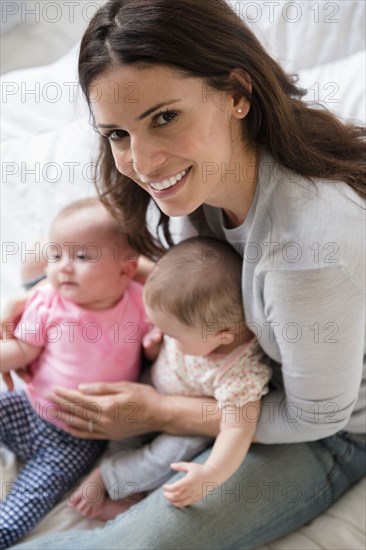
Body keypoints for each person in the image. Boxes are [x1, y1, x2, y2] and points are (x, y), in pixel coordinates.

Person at [7, 0, 366, 548]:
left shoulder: (309, 252)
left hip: (322, 430)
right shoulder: (204, 185)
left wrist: (165, 412)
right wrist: (42, 293)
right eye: (118, 135)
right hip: (220, 372)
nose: (143, 162)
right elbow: (202, 278)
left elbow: (313, 416)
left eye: (165, 118)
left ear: (237, 94)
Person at [70, 237, 272, 519]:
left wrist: (211, 474)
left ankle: (108, 477)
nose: (168, 337)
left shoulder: (240, 372)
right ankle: (128, 485)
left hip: (186, 424)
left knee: (164, 458)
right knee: (121, 428)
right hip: (153, 383)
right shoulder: (197, 328)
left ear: (222, 336)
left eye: (172, 335)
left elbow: (237, 431)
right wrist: (155, 349)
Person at [0, 197, 150, 548]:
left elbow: (159, 339)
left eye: (82, 257)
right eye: (55, 256)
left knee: (26, 504)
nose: (63, 268)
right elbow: (23, 350)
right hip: (28, 409)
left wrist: (156, 342)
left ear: (126, 270)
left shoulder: (140, 302)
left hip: (76, 437)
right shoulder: (48, 301)